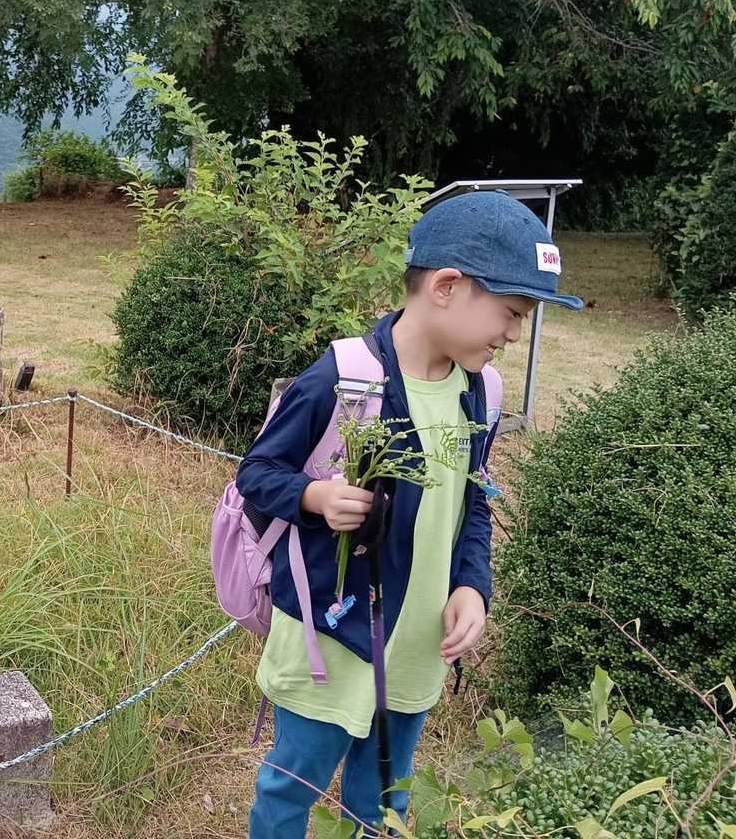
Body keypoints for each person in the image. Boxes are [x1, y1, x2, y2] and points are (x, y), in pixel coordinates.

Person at [237, 191, 584, 837]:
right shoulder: (343, 378)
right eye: (512, 313)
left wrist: (472, 586)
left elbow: (473, 501)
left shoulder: (480, 392)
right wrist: (315, 497)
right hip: (332, 637)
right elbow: (257, 474)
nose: (514, 335)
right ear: (447, 287)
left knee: (382, 798)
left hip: (418, 644)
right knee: (294, 785)